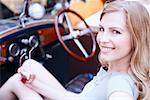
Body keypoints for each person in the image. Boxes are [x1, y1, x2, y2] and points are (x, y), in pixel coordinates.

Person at [0, 1, 150, 100]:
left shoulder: (119, 83)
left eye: (116, 32)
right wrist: (35, 85)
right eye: (102, 29)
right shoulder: (113, 66)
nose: (103, 39)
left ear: (137, 37)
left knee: (16, 82)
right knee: (29, 65)